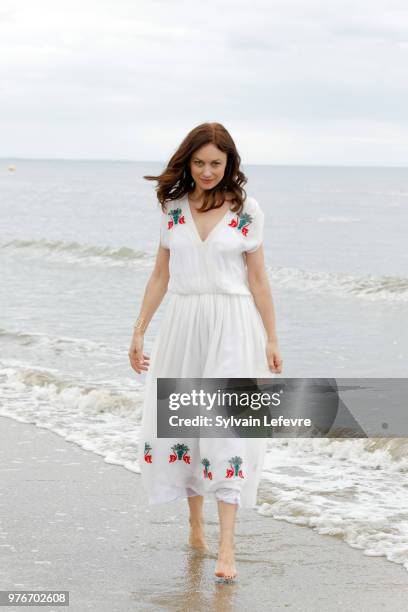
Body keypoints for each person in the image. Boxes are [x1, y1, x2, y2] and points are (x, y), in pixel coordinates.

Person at [129, 122, 283, 583]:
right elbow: (160, 275)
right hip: (183, 325)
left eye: (216, 162)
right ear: (188, 163)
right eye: (199, 162)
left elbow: (258, 280)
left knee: (227, 429)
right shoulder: (173, 208)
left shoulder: (247, 210)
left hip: (233, 327)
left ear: (229, 164)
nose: (208, 171)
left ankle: (228, 546)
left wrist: (272, 338)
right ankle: (196, 524)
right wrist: (138, 331)